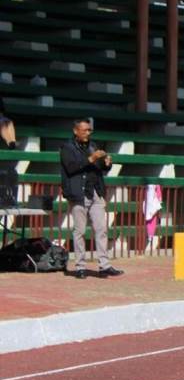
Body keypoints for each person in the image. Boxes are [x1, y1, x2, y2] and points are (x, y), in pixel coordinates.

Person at [59, 119, 124, 279]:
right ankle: (80, 267)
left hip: (96, 192)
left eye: (89, 130)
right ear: (76, 131)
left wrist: (106, 164)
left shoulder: (93, 145)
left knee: (101, 229)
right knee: (79, 231)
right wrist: (91, 158)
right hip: (78, 194)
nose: (87, 133)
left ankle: (104, 265)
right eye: (84, 130)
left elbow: (98, 167)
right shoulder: (67, 148)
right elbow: (71, 167)